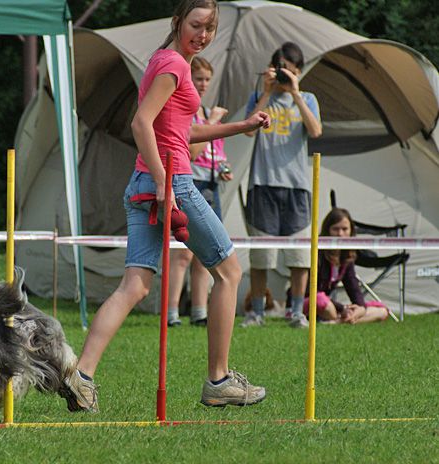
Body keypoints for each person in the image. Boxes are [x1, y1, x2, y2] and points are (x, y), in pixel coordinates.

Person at [58, 0, 271, 413]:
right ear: (178, 22)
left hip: (145, 181)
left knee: (134, 285)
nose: (203, 35)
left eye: (210, 28)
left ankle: (81, 376)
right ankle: (219, 380)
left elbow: (182, 130)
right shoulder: (175, 65)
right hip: (170, 181)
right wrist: (164, 183)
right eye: (196, 25)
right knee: (229, 272)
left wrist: (241, 126)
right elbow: (141, 122)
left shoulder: (164, 60)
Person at [241, 41, 322, 329]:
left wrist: (296, 93)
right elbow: (248, 131)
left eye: (289, 70)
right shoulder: (260, 97)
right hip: (263, 184)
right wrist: (266, 92)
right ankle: (257, 312)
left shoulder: (308, 99)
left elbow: (315, 131)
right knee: (261, 255)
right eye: (280, 69)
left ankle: (295, 312)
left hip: (297, 187)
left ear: (299, 71)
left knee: (299, 256)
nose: (284, 75)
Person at [167, 56, 232, 327]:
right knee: (183, 253)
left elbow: (215, 151)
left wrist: (224, 168)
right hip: (191, 183)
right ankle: (171, 313)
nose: (204, 84)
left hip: (211, 185)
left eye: (207, 79)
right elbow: (190, 153)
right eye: (199, 79)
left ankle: (199, 311)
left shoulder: (204, 111)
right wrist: (213, 123)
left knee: (206, 253)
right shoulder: (192, 114)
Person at [304, 207, 389, 324]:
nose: (340, 234)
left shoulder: (347, 257)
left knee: (382, 310)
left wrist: (360, 308)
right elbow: (310, 291)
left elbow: (353, 287)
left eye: (344, 229)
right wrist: (342, 308)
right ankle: (341, 319)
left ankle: (340, 321)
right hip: (312, 301)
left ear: (351, 231)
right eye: (335, 229)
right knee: (322, 302)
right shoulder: (317, 254)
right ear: (327, 230)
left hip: (333, 306)